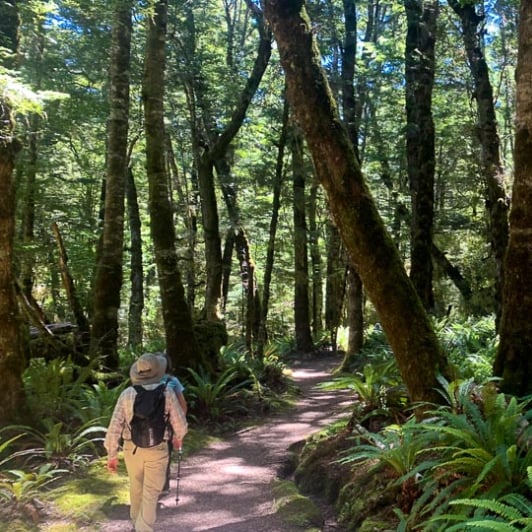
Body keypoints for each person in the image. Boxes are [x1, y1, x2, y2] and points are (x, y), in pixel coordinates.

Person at [105, 353, 187, 532]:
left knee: (136, 489)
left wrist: (112, 455)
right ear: (158, 371)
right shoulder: (167, 392)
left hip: (131, 449)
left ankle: (137, 526)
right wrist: (177, 438)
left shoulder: (126, 394)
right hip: (158, 449)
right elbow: (180, 425)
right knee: (150, 494)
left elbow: (113, 428)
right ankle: (142, 529)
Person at [155, 352, 187, 493]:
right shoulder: (173, 381)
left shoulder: (145, 381)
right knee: (165, 455)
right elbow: (183, 405)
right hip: (166, 425)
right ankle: (163, 486)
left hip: (145, 425)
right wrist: (178, 428)